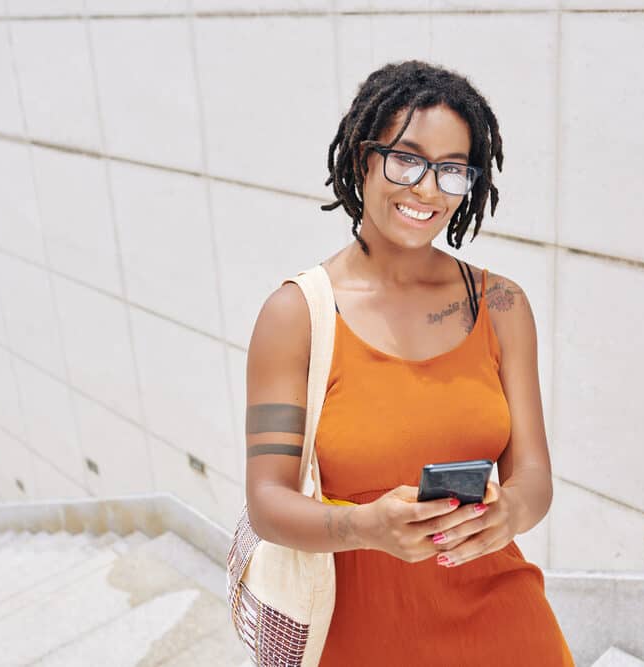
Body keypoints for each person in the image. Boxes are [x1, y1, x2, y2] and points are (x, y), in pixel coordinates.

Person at [244, 60, 575, 665]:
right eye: (407, 159)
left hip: (504, 623)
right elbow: (267, 502)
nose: (427, 190)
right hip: (357, 634)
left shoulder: (501, 304)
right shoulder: (296, 315)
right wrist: (365, 528)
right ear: (363, 158)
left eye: (452, 170)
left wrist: (508, 514)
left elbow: (534, 476)